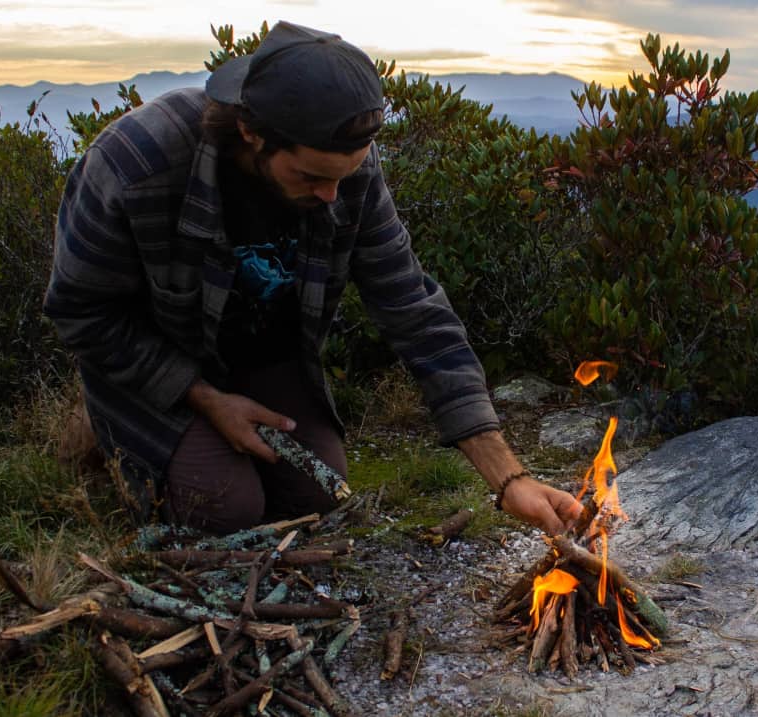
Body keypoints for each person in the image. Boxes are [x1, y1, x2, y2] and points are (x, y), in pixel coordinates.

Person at [44, 20, 582, 536]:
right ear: (250, 131)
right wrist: (205, 398)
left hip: (262, 357)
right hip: (162, 363)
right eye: (310, 177)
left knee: (317, 496)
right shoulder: (136, 165)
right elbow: (82, 312)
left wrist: (509, 477)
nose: (332, 197)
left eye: (343, 177)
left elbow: (414, 312)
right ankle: (103, 434)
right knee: (226, 508)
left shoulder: (346, 172)